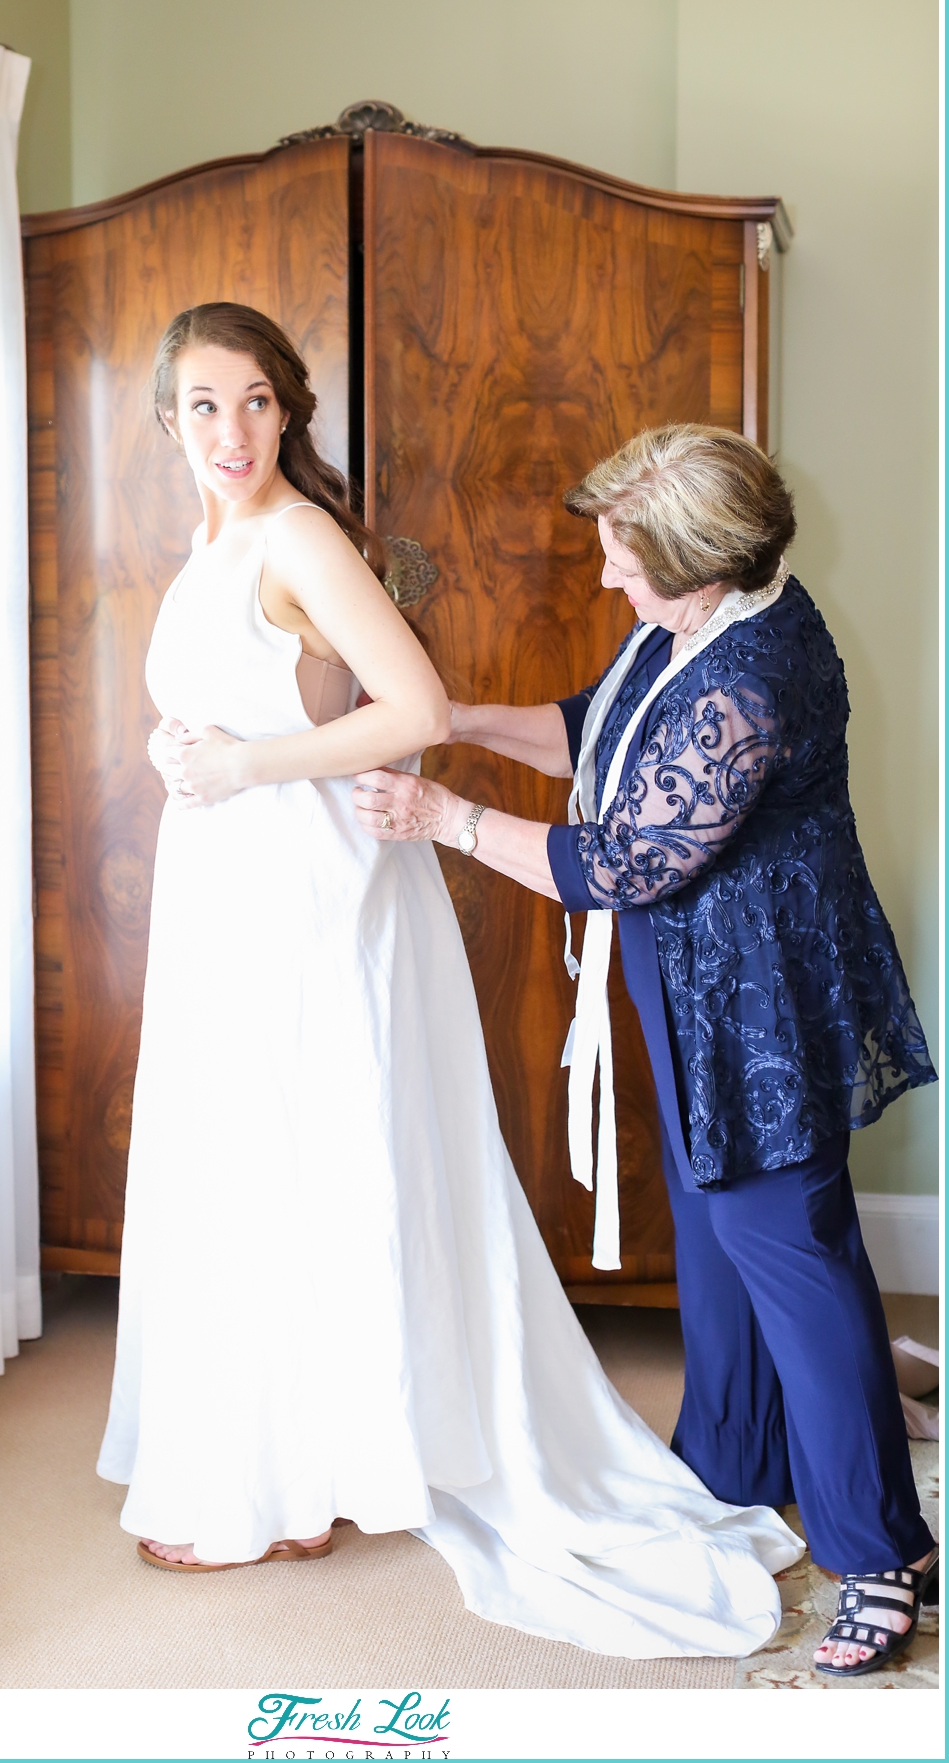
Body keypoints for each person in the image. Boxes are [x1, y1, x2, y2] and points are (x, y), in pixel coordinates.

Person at [98, 305, 803, 1659]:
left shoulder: (297, 530)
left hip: (307, 887)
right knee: (261, 1162)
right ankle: (294, 1464)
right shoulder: (217, 536)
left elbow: (414, 708)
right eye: (202, 406)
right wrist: (197, 748)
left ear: (289, 411)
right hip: (236, 887)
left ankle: (293, 1481)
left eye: (254, 402)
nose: (230, 432)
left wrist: (240, 766)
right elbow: (266, 696)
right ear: (170, 421)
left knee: (308, 1154)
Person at [352, 422, 938, 1679]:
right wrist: (450, 716)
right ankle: (733, 1460)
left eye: (626, 562)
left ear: (703, 565)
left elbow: (621, 859)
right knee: (720, 1229)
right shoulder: (696, 627)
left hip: (762, 997)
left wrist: (440, 814)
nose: (610, 581)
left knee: (794, 1251)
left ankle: (882, 1550)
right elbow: (597, 733)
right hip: (695, 978)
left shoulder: (750, 680)